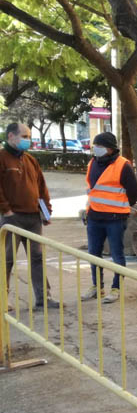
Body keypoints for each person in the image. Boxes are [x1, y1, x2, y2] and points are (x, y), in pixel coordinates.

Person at [0, 123, 60, 310]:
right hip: (11, 218)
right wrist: (6, 210)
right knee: (7, 259)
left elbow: (41, 187)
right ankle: (3, 298)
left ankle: (44, 299)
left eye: (29, 137)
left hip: (33, 218)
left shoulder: (30, 160)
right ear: (11, 136)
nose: (28, 140)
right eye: (25, 136)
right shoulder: (2, 158)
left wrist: (45, 211)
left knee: (37, 258)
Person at [81, 132, 137, 304]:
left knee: (117, 255)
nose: (96, 149)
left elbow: (134, 192)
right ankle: (96, 287)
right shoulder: (93, 163)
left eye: (99, 146)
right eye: (95, 145)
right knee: (94, 253)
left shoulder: (123, 166)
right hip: (94, 216)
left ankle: (116, 288)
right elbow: (92, 189)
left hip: (115, 219)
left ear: (110, 148)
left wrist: (120, 206)